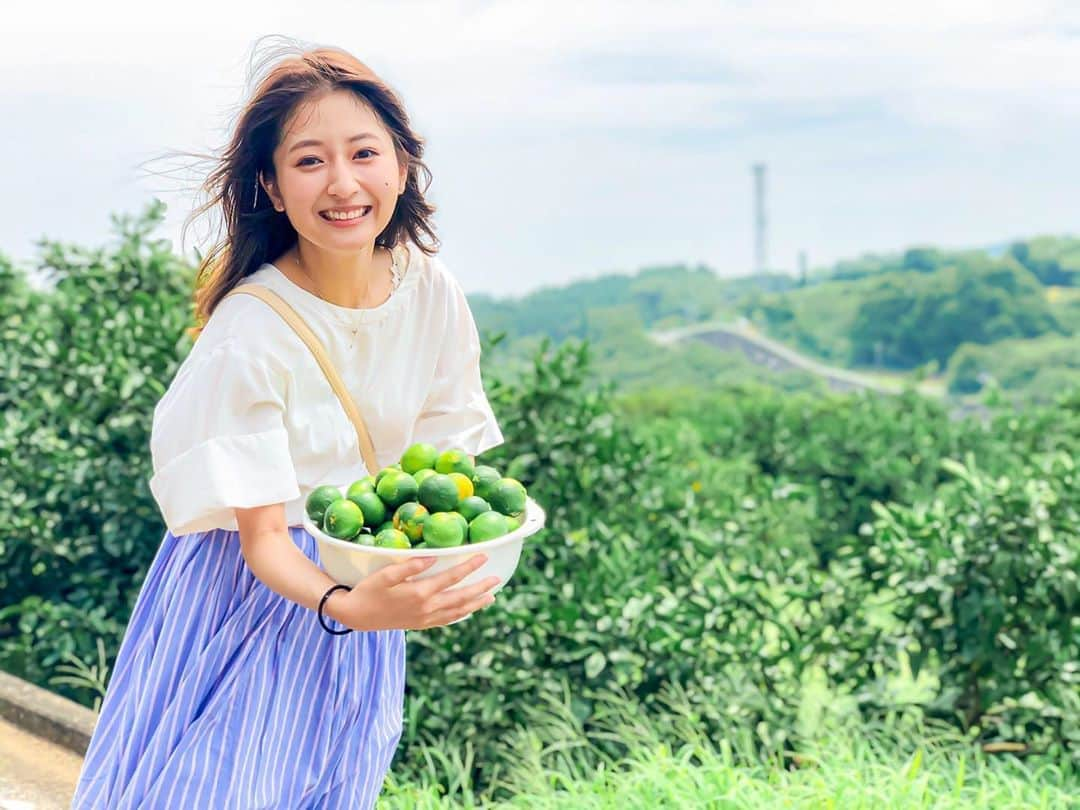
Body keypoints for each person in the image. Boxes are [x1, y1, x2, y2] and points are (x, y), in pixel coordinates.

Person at [71, 41, 504, 809]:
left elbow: (445, 471)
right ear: (271, 186)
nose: (343, 183)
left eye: (364, 153)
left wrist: (457, 568)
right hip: (249, 595)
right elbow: (263, 538)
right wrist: (348, 606)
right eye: (309, 162)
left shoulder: (431, 291)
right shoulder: (250, 330)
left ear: (402, 167)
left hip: (361, 573)